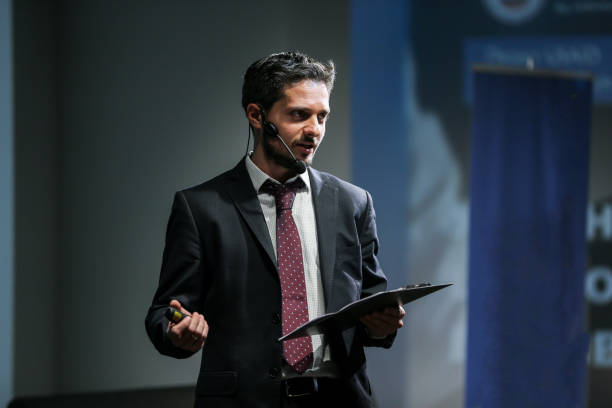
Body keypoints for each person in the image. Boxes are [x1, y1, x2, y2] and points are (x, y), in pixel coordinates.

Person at [145, 51, 405, 408]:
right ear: (257, 116)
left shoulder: (353, 202)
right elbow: (165, 312)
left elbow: (371, 306)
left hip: (340, 400)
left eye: (322, 117)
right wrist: (177, 331)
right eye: (299, 115)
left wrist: (382, 324)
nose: (314, 130)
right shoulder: (201, 207)